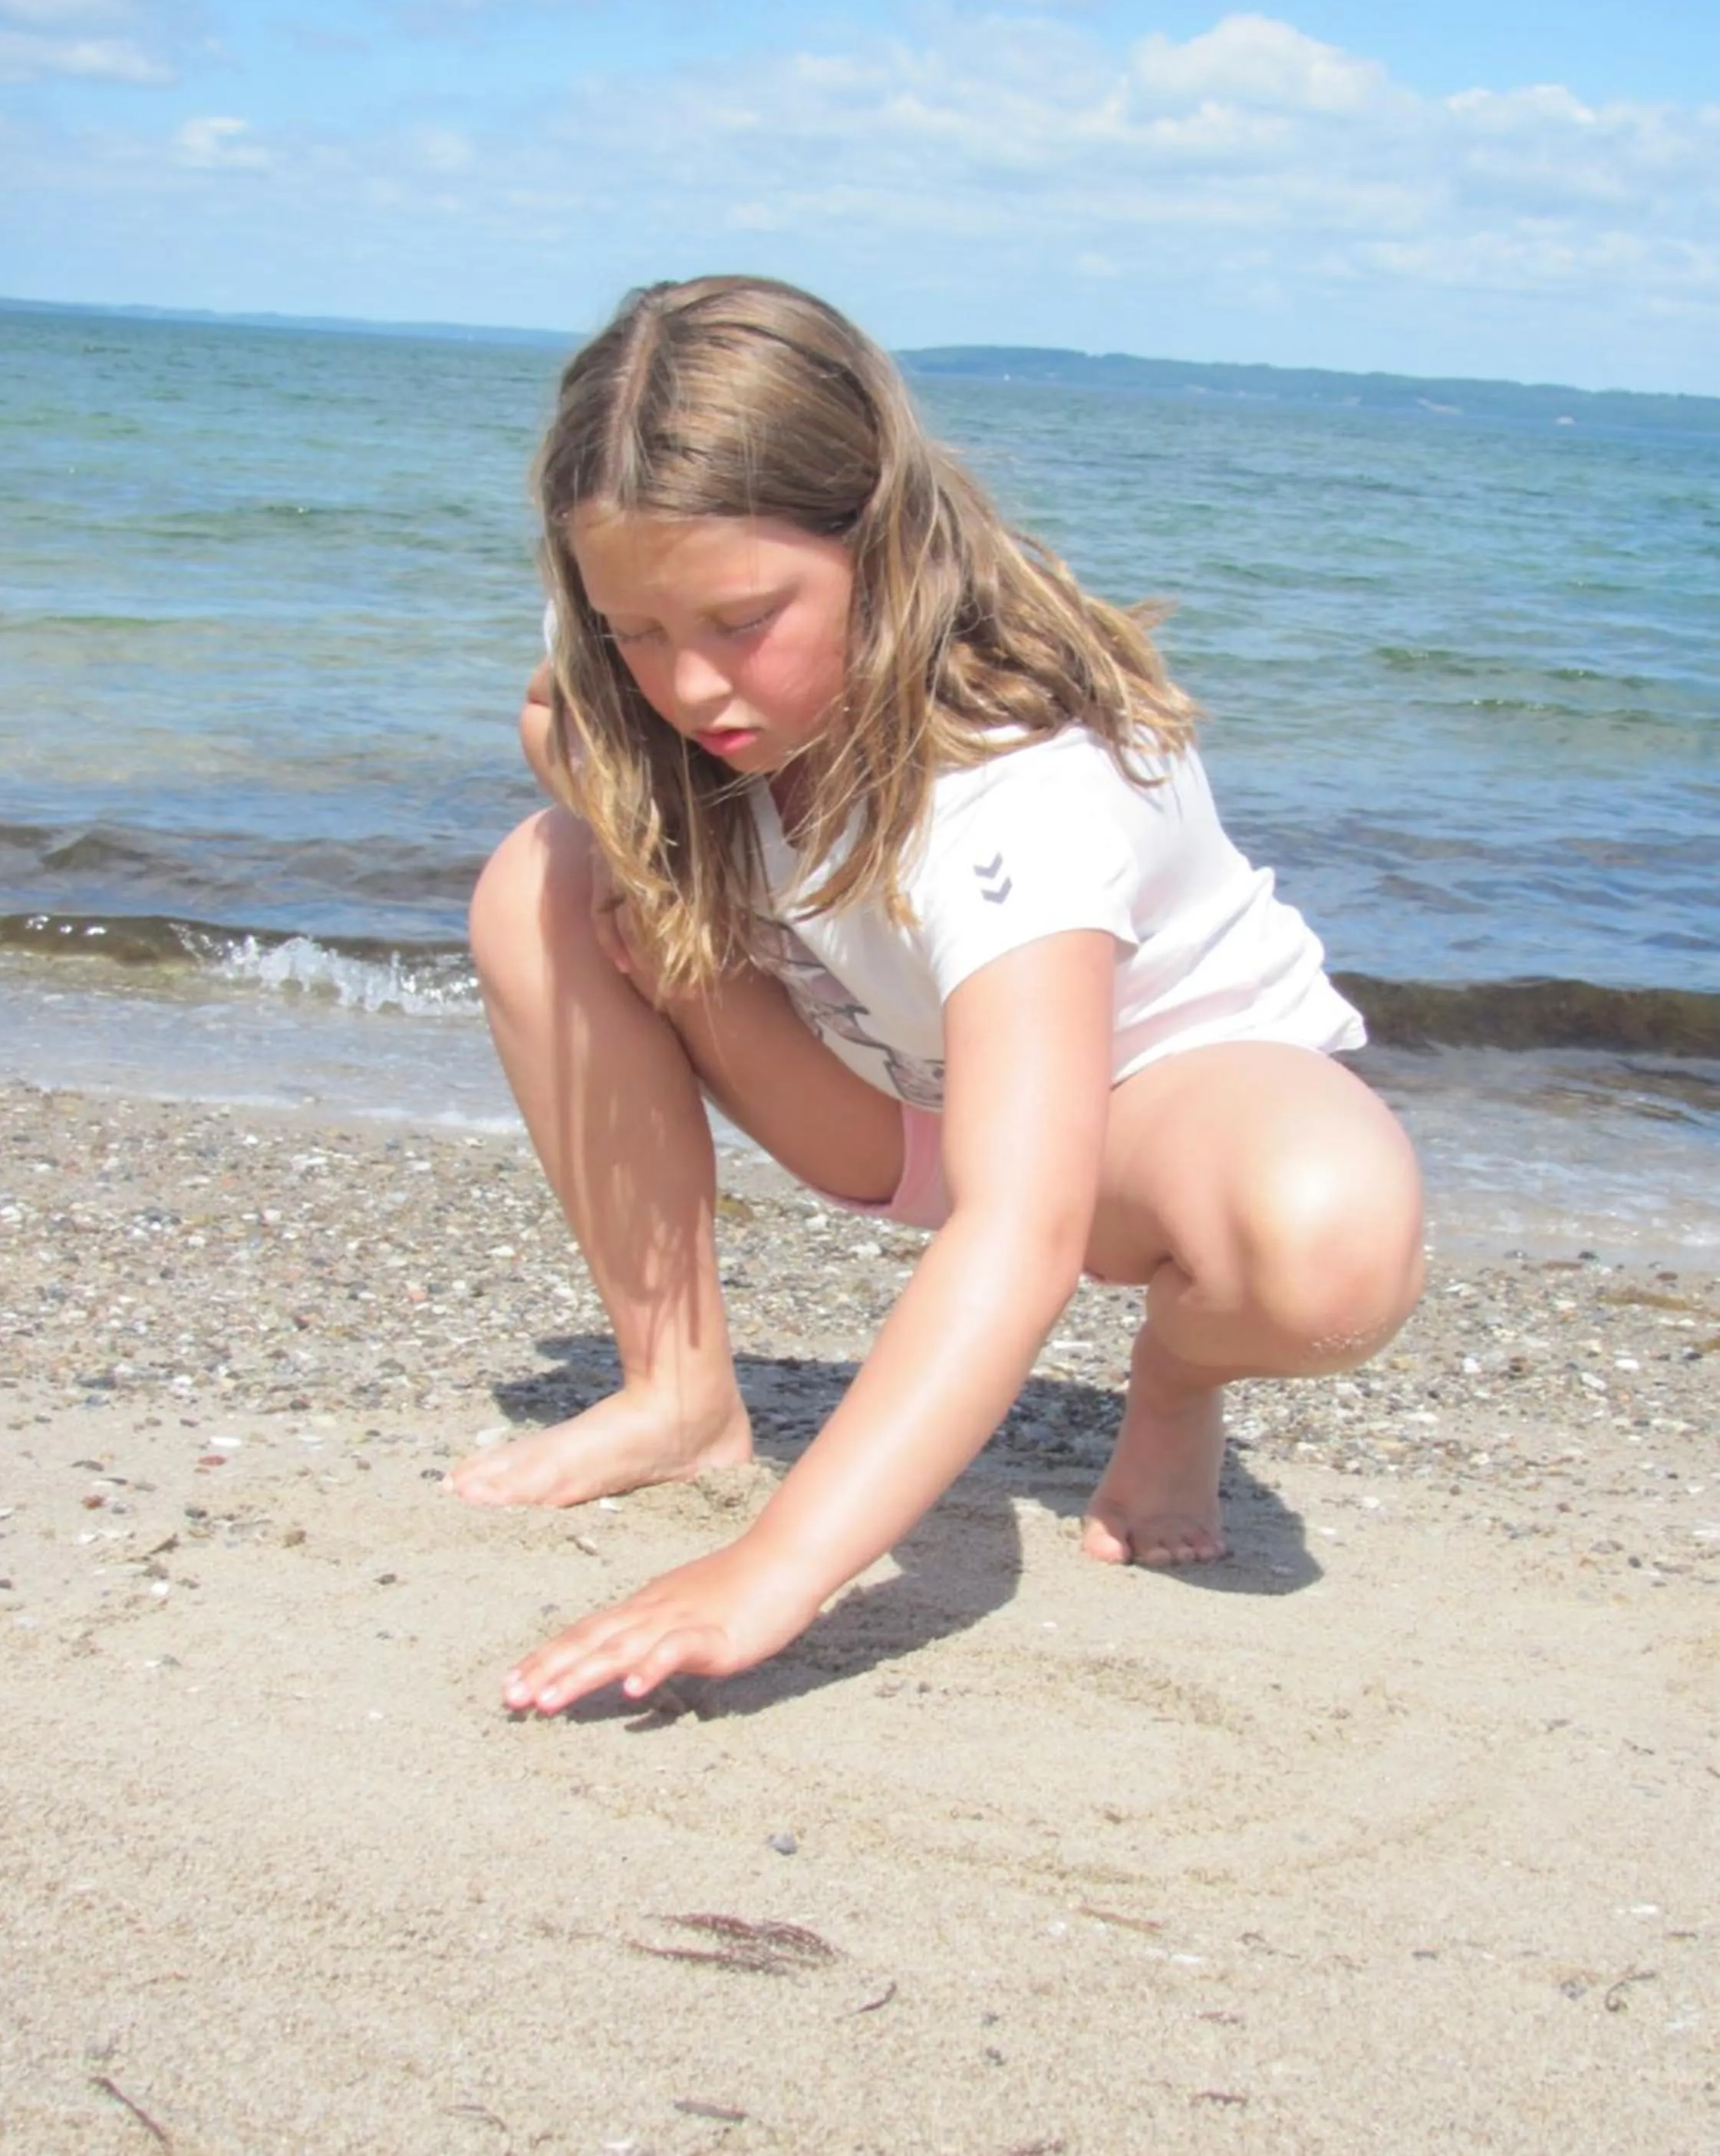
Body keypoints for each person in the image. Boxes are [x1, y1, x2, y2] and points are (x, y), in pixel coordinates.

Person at [448, 275, 1425, 1717]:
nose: (692, 685)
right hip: (891, 1100)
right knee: (539, 880)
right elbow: (558, 713)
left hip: (1145, 1127)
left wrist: (772, 1567)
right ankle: (674, 1391)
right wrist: (658, 887)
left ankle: (1175, 1380)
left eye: (739, 621)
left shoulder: (1017, 780)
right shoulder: (657, 579)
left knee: (1329, 1260)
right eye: (637, 631)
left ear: (882, 541)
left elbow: (1021, 1228)